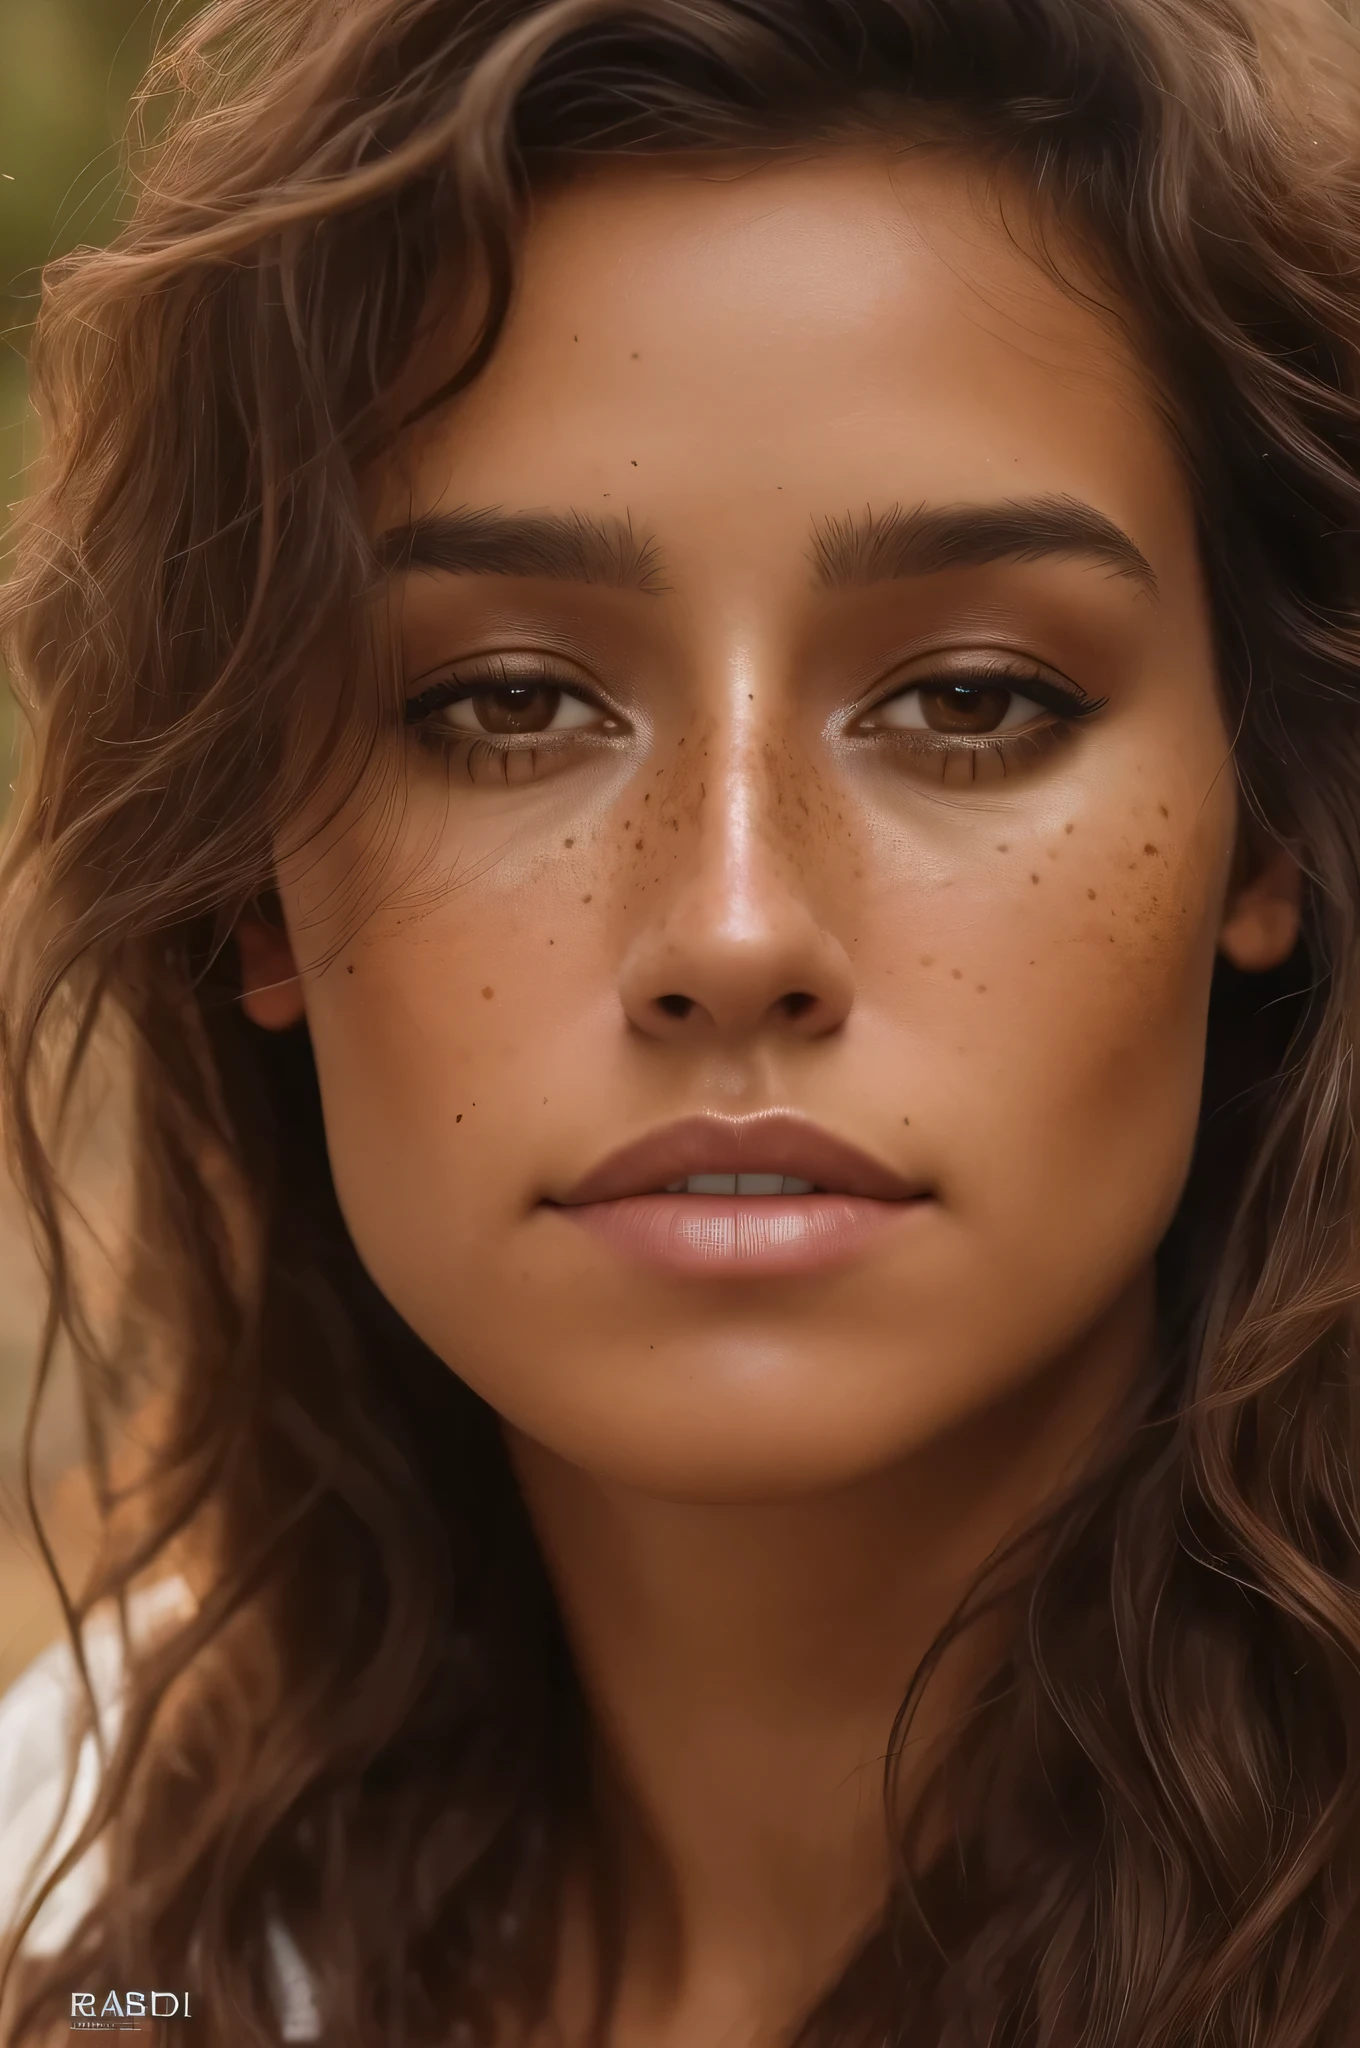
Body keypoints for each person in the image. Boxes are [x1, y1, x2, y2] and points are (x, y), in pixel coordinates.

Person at [1, 0, 1358, 2040]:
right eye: (506, 703)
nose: (730, 927)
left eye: (971, 696)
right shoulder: (81, 1877)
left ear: (1263, 825)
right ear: (249, 884)